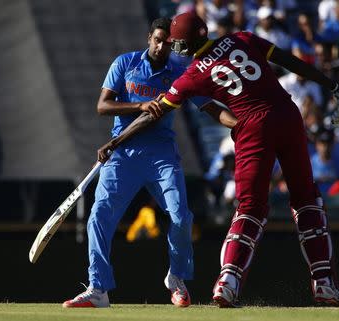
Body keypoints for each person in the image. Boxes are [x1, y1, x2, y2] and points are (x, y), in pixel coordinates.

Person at [97, 12, 339, 307]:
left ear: (184, 45)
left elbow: (152, 114)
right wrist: (331, 86)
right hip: (288, 116)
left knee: (251, 207)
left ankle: (228, 282)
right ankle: (325, 283)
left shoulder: (191, 76)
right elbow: (289, 61)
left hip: (252, 125)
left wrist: (116, 140)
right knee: (306, 199)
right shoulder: (243, 38)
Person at [62, 17, 234, 308]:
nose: (160, 46)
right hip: (123, 154)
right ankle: (98, 289)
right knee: (98, 217)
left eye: (166, 42)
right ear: (148, 38)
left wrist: (238, 125)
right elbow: (102, 106)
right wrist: (139, 105)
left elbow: (208, 106)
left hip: (161, 155)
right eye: (156, 40)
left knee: (181, 216)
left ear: (172, 44)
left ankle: (176, 278)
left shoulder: (180, 70)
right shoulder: (125, 63)